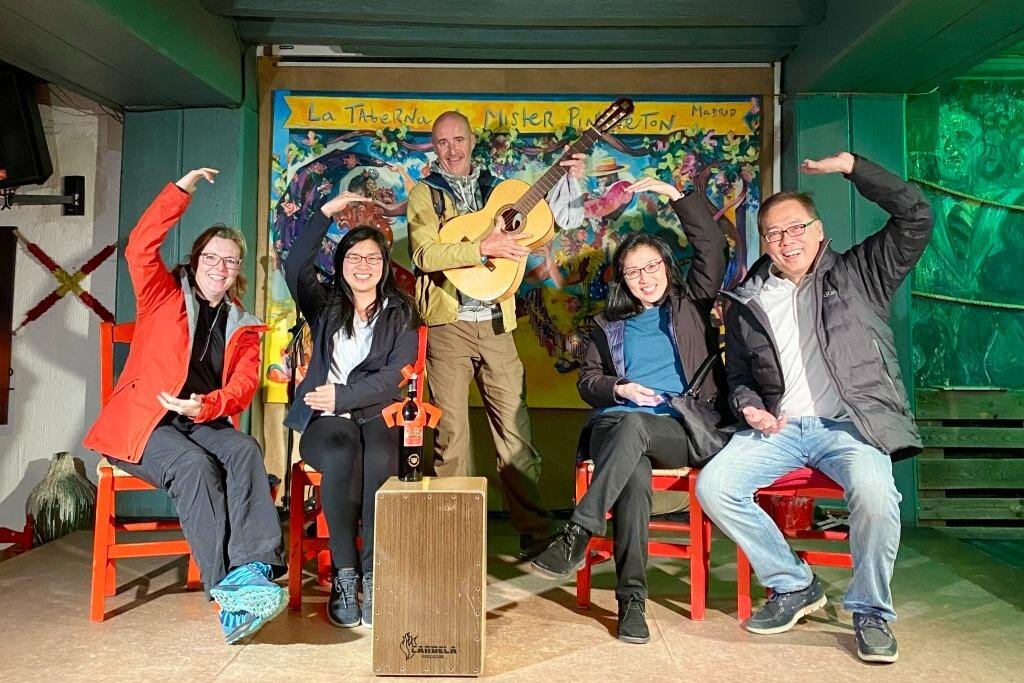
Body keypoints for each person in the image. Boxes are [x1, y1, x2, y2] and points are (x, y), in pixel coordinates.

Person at [696, 152, 933, 664]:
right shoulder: (747, 301)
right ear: (765, 241)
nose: (787, 240)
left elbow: (916, 215)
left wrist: (853, 167)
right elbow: (739, 377)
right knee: (714, 486)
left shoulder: (861, 273)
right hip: (780, 428)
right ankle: (794, 583)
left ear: (818, 230)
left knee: (876, 495)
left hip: (849, 424)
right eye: (774, 233)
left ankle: (870, 610)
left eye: (796, 228)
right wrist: (750, 407)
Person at [83, 168, 286, 644]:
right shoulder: (162, 295)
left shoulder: (244, 325)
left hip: (200, 419)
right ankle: (229, 595)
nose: (220, 266)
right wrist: (182, 190)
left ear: (238, 271)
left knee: (245, 450)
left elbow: (242, 388)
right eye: (211, 257)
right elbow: (139, 247)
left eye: (230, 261)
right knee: (195, 466)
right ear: (196, 260)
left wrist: (206, 405)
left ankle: (251, 571)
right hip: (146, 423)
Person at [530, 177, 727, 643]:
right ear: (622, 278)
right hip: (615, 424)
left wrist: (675, 195)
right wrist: (620, 387)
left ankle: (579, 532)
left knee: (638, 431)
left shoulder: (691, 306)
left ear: (667, 267)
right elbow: (588, 382)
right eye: (633, 271)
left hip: (680, 429)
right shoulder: (606, 324)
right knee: (632, 470)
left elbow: (713, 248)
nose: (644, 277)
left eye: (652, 266)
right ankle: (631, 602)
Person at [406, 110, 586, 558]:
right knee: (451, 436)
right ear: (434, 147)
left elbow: (549, 227)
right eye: (442, 142)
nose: (452, 149)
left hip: (497, 323)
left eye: (459, 140)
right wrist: (480, 248)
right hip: (448, 324)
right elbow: (424, 253)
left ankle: (535, 533)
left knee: (515, 433)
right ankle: (452, 540)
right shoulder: (426, 193)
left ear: (472, 141)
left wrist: (569, 181)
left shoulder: (501, 191)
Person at [284, 191, 418, 628]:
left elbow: (396, 375)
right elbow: (295, 265)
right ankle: (345, 575)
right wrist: (325, 212)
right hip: (328, 421)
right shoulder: (324, 304)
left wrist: (342, 395)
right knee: (343, 454)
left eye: (373, 258)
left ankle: (376, 576)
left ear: (385, 265)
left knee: (380, 459)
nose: (364, 265)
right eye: (354, 257)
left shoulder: (402, 312)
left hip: (378, 415)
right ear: (341, 262)